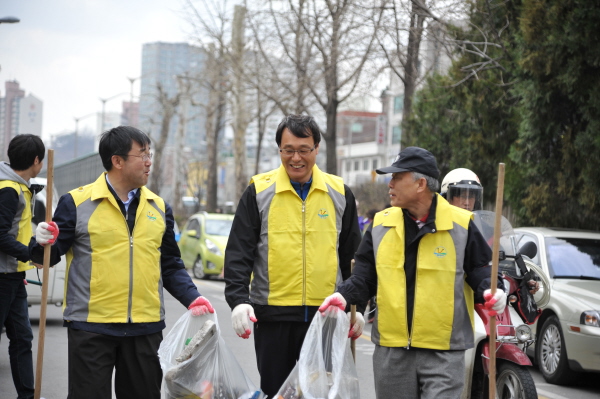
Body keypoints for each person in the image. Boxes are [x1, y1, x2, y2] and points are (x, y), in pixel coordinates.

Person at [33, 126, 214, 399]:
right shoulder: (77, 202)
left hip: (146, 327)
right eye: (142, 154)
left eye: (149, 154)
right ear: (117, 161)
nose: (149, 161)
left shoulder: (158, 207)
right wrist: (42, 241)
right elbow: (46, 257)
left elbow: (171, 264)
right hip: (91, 327)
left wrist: (192, 297)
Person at [318, 147, 506, 399]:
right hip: (392, 352)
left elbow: (482, 270)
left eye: (397, 177)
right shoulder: (381, 225)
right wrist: (343, 296)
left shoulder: (461, 224)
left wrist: (494, 291)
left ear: (420, 184)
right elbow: (364, 277)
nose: (390, 183)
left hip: (443, 352)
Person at [224, 114, 362, 398]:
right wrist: (238, 301)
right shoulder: (259, 192)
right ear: (279, 150)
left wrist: (355, 307)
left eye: (304, 150)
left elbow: (353, 258)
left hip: (327, 317)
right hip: (273, 318)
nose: (296, 158)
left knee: (322, 393)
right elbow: (239, 253)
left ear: (317, 149)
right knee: (276, 393)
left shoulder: (340, 194)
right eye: (289, 150)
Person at [441, 167, 540, 295]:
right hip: (447, 298)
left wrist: (519, 282)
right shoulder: (438, 227)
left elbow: (499, 265)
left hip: (482, 296)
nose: (467, 202)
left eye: (471, 196)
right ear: (446, 198)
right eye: (461, 195)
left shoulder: (486, 230)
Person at [0, 134, 45, 399]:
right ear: (36, 161)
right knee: (21, 339)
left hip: (13, 277)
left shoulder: (19, 187)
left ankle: (27, 395)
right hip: (2, 277)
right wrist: (29, 255)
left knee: (22, 338)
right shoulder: (9, 189)